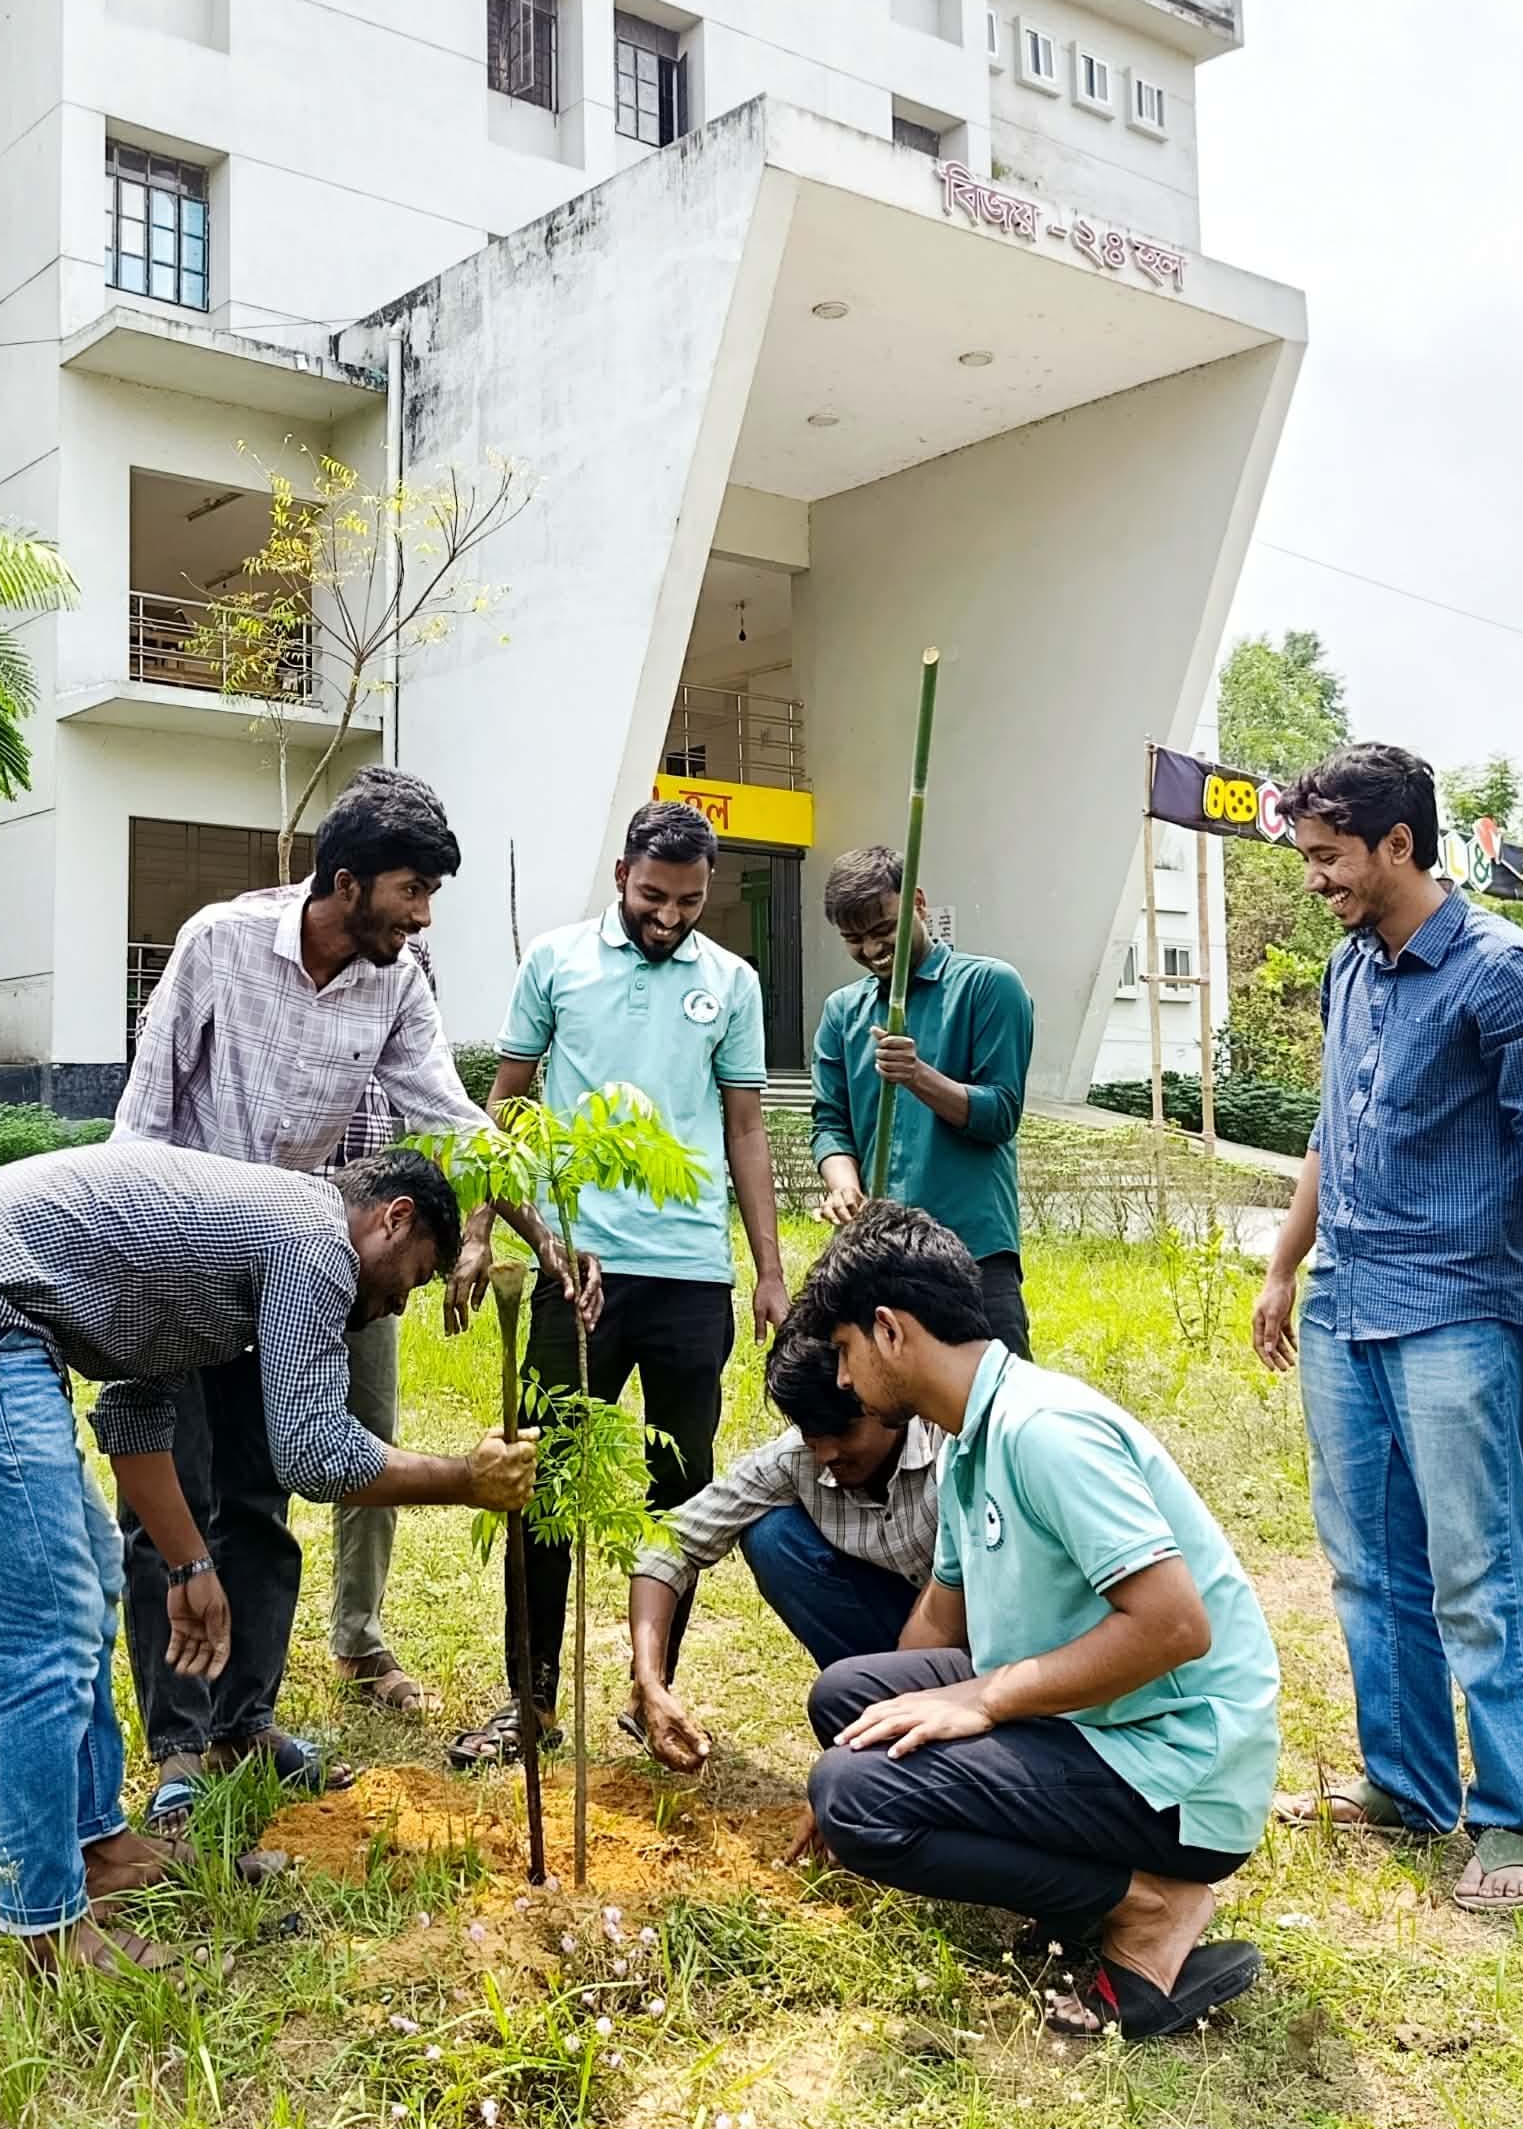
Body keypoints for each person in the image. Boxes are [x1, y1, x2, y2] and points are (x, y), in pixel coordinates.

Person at [0, 1140, 537, 1975]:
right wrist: (466, 1479)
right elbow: (313, 1452)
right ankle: (48, 1928)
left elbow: (134, 1409)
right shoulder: (316, 1239)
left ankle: (99, 1848)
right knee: (45, 1635)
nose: (395, 1306)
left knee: (85, 1595)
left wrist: (188, 1565)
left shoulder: (244, 1248)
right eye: (413, 1278)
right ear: (394, 1218)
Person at [112, 768, 577, 1825]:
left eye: (430, 897)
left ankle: (245, 1720)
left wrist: (538, 1222)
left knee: (264, 1497)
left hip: (296, 1271)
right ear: (346, 880)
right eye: (412, 892)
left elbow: (445, 1112)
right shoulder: (218, 944)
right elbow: (142, 1116)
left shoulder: (396, 983)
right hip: (182, 1264)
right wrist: (136, 1263)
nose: (422, 918)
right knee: (174, 1508)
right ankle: (180, 1749)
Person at [1249, 742, 1523, 1914]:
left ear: (1397, 844)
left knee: (1475, 1570)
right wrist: (1284, 1264)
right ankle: (1403, 1783)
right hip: (1345, 1305)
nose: (1314, 879)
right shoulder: (1347, 969)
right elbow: (1327, 1125)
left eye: (1328, 857)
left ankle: (1509, 1819)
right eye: (1306, 857)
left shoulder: (1502, 972)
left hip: (1458, 1312)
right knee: (1369, 1565)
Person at [797, 1206, 1281, 2041]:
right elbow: (939, 1619)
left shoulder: (1045, 1431)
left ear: (889, 1330)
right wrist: (868, 1736)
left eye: (843, 1349)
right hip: (1096, 1715)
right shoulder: (970, 1438)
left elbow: (1175, 1626)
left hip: (1181, 1760)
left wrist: (983, 1701)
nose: (841, 1378)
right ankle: (1077, 1882)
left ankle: (1150, 1904)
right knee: (847, 1703)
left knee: (857, 1798)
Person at [448, 798, 789, 1771]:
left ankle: (652, 1691)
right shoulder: (556, 961)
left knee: (679, 1492)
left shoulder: (731, 983)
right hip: (574, 1268)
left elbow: (745, 1128)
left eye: (688, 901)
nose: (668, 916)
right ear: (620, 878)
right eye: (652, 897)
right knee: (545, 1480)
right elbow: (505, 1106)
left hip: (691, 1275)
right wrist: (479, 1227)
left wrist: (768, 1268)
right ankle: (530, 1702)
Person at [625, 1329, 946, 1773]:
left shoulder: (950, 1445)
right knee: (773, 1537)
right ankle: (875, 1710)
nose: (827, 1452)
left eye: (843, 1432)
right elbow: (668, 1544)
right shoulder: (795, 1458)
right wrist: (649, 1680)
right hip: (896, 1629)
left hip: (981, 1641)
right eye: (813, 1436)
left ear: (881, 1402)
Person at [808, 846, 1037, 1354]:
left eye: (883, 930)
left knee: (991, 1394)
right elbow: (830, 1123)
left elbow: (1000, 1114)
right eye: (853, 939)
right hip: (879, 1255)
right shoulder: (842, 1012)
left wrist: (918, 1077)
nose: (872, 949)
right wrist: (844, 1187)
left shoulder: (989, 986)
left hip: (973, 1251)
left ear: (917, 902)